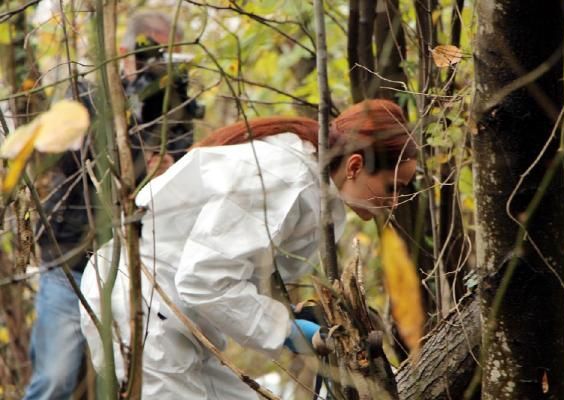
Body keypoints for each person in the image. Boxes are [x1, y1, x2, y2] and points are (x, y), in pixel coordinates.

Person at [80, 99, 418, 398]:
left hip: (177, 315)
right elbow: (204, 281)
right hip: (143, 309)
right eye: (392, 187)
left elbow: (238, 266)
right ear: (356, 166)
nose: (394, 202)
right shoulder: (281, 177)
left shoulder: (311, 182)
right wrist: (289, 332)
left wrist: (294, 314)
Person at [23, 11, 193, 399]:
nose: (160, 65)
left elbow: (184, 189)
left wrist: (168, 166)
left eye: (170, 56)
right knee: (55, 378)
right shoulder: (86, 96)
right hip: (72, 259)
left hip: (135, 265)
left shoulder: (175, 109)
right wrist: (129, 135)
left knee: (134, 379)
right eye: (152, 53)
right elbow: (63, 161)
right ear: (123, 52)